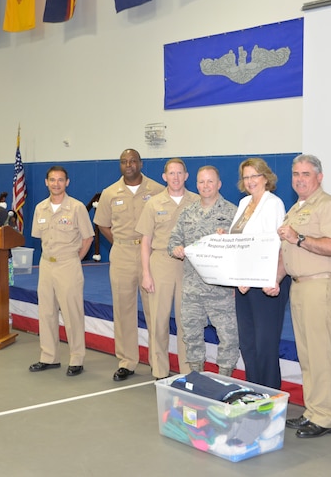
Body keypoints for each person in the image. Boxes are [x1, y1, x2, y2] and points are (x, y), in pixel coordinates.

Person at [278, 154, 331, 438]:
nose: (299, 179)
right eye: (296, 173)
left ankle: (325, 417)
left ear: (319, 177)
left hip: (321, 287)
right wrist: (276, 279)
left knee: (321, 354)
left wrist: (300, 238)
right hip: (299, 286)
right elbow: (287, 250)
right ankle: (312, 410)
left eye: (306, 174)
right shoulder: (296, 208)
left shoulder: (329, 205)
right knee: (307, 355)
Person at [94, 149, 164, 381]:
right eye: (124, 161)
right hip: (122, 253)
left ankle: (158, 363)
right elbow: (102, 224)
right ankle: (127, 360)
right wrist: (120, 242)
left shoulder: (156, 190)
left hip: (151, 255)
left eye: (133, 161)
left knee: (154, 310)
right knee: (123, 309)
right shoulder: (110, 193)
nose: (129, 165)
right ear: (120, 165)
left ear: (141, 164)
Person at [167, 166, 238, 376]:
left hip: (221, 291)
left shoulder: (232, 213)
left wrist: (228, 241)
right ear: (196, 184)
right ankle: (197, 378)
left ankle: (225, 378)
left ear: (219, 184)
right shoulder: (187, 212)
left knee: (228, 337)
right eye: (201, 182)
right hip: (192, 289)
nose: (205, 186)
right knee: (191, 336)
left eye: (210, 181)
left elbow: (241, 249)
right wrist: (176, 249)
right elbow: (172, 241)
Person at [135, 158, 199, 379]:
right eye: (171, 173)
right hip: (160, 262)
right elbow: (145, 240)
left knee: (187, 321)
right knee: (159, 320)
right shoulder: (153, 203)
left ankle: (188, 371)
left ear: (186, 176)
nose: (175, 177)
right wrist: (146, 273)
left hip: (188, 266)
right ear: (164, 177)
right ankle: (160, 370)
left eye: (180, 173)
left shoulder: (197, 202)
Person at [28, 166, 94, 377]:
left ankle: (76, 359)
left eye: (60, 180)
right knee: (46, 312)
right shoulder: (40, 208)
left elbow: (88, 238)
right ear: (46, 182)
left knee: (72, 314)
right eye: (52, 180)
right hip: (46, 264)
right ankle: (49, 356)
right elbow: (39, 237)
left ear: (67, 182)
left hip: (68, 265)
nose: (56, 183)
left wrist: (75, 259)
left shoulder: (76, 208)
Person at [229, 157, 288, 389]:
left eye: (255, 176)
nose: (250, 181)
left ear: (266, 177)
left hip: (265, 283)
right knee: (248, 343)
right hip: (243, 284)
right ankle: (253, 390)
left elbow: (273, 246)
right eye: (246, 177)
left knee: (266, 344)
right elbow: (240, 243)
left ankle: (271, 395)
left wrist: (262, 277)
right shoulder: (244, 203)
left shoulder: (273, 203)